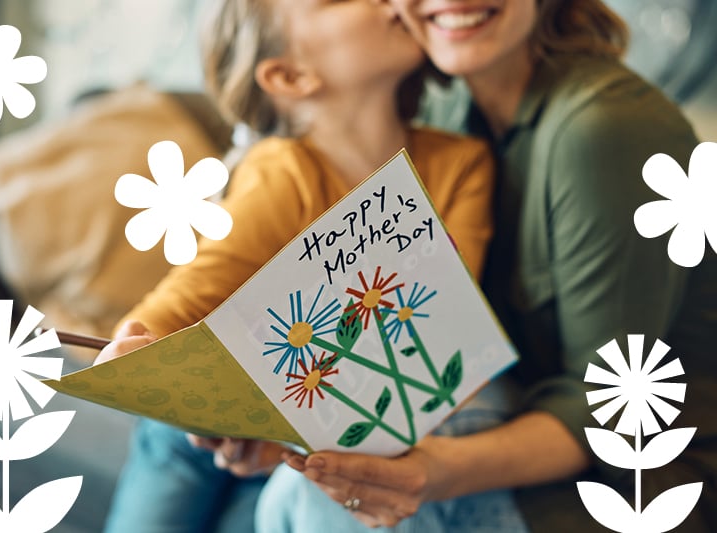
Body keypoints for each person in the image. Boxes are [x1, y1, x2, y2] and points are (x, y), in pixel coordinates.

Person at [255, 0, 717, 531]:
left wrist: (430, 472)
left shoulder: (605, 129)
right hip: (519, 430)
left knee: (315, 503)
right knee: (276, 491)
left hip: (639, 481)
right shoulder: (449, 115)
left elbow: (608, 411)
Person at [98, 0, 501, 531]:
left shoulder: (462, 165)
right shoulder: (282, 173)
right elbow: (165, 317)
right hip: (200, 432)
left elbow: (440, 334)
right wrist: (139, 355)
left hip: (308, 431)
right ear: (290, 75)